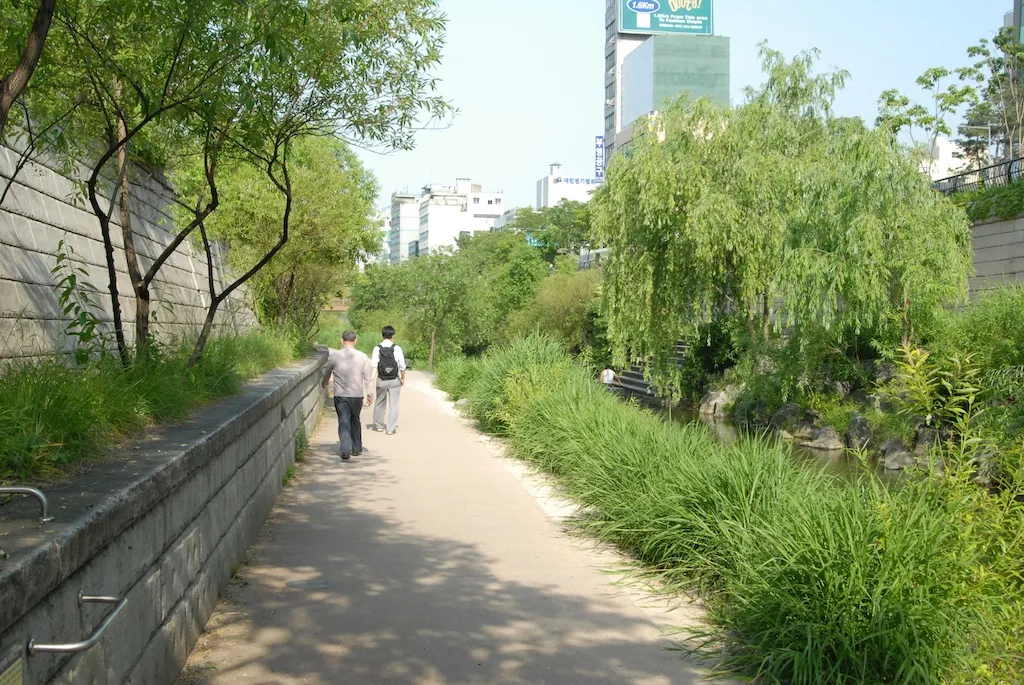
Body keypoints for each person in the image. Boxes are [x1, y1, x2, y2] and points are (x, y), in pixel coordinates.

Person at [322, 330, 374, 460]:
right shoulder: (363, 357)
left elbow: (327, 372)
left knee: (344, 420)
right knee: (355, 419)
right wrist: (370, 394)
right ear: (355, 341)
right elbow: (368, 378)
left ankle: (345, 449)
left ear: (342, 340)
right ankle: (356, 448)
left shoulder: (335, 356)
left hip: (341, 395)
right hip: (356, 395)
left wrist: (325, 382)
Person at [370, 325, 406, 435]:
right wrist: (403, 378)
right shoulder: (397, 348)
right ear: (392, 336)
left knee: (380, 402)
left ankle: (379, 426)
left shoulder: (377, 348)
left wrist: (372, 380)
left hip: (381, 379)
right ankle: (390, 428)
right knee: (394, 404)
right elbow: (402, 366)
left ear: (382, 335)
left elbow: (374, 365)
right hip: (394, 380)